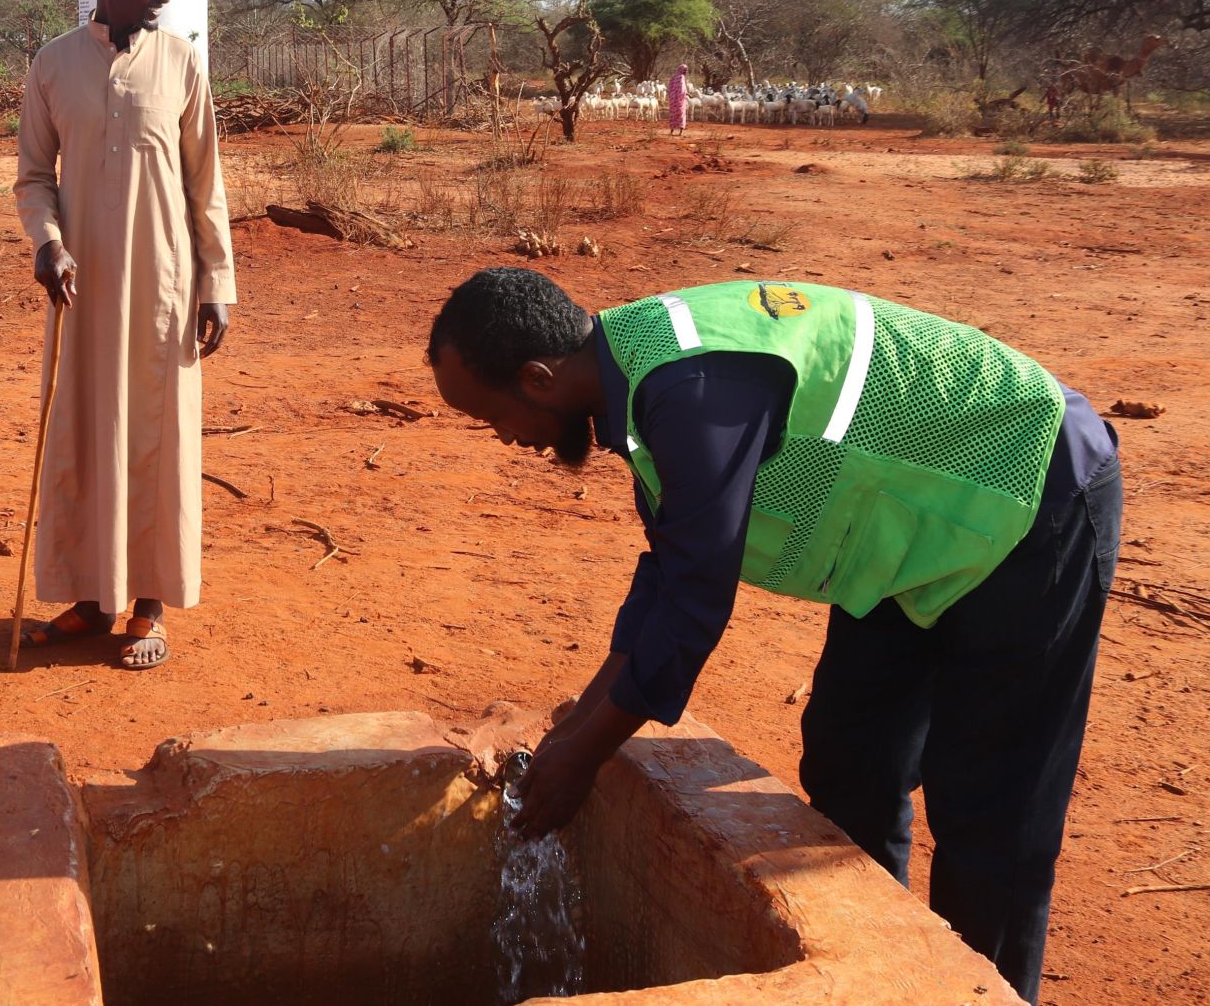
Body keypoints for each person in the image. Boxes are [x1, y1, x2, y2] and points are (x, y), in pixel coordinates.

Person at [425, 268, 1120, 1004]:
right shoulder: (633, 370)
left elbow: (696, 600)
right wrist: (573, 731)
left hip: (1026, 497)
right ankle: (878, 981)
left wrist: (589, 752)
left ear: (537, 379)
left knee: (989, 812)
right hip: (904, 532)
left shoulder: (690, 389)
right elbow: (669, 569)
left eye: (492, 417)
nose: (507, 438)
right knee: (852, 762)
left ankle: (987, 993)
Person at [12, 0, 236, 671]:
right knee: (86, 430)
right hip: (81, 288)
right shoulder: (53, 64)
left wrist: (217, 283)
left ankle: (149, 604)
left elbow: (205, 183)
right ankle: (91, 599)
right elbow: (33, 177)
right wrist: (47, 242)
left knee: (155, 434)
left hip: (164, 285)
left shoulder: (181, 62)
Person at [666, 63, 689, 134]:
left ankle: (672, 130)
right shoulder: (681, 77)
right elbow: (682, 88)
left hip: (673, 99)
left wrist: (671, 95)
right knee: (681, 113)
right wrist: (685, 94)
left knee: (673, 113)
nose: (686, 72)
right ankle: (680, 131)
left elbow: (670, 87)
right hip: (679, 99)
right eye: (685, 70)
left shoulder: (673, 77)